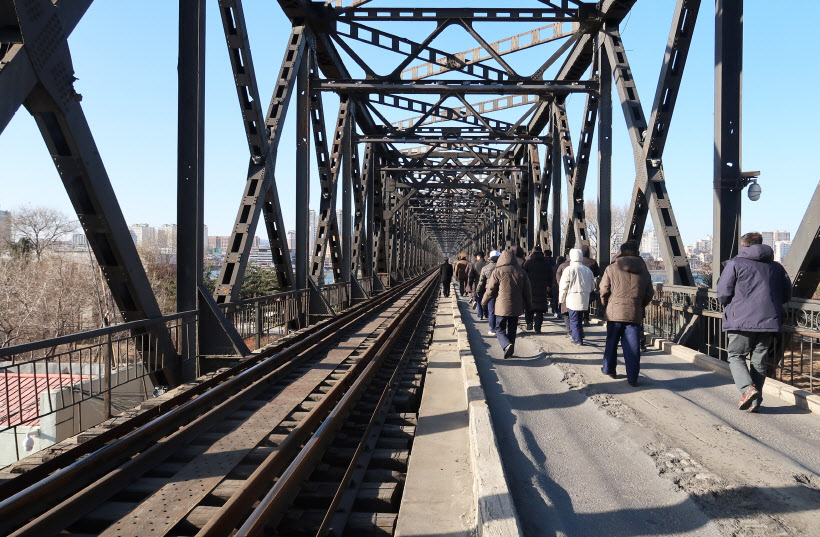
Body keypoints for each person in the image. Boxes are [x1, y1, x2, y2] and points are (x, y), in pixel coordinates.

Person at [717, 232, 792, 412]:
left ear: (744, 246)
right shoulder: (777, 267)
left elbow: (723, 294)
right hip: (768, 320)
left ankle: (747, 389)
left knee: (735, 356)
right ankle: (755, 402)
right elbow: (786, 294)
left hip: (741, 319)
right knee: (758, 360)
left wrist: (733, 306)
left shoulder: (735, 263)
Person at [600, 241, 654, 387]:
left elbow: (604, 289)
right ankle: (633, 377)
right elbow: (650, 293)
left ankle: (609, 369)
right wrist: (639, 305)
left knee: (611, 342)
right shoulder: (644, 271)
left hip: (615, 312)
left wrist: (606, 304)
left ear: (621, 252)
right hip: (634, 313)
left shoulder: (611, 268)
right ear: (637, 252)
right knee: (633, 346)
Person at [482, 248, 532, 358]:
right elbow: (527, 291)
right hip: (516, 306)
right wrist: (529, 305)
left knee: (499, 328)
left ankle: (506, 345)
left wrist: (484, 301)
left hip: (501, 306)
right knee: (512, 329)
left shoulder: (497, 271)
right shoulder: (521, 272)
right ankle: (510, 350)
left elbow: (490, 289)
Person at [559, 248, 594, 345]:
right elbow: (592, 285)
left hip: (572, 298)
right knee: (579, 318)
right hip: (584, 298)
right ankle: (579, 334)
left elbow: (563, 286)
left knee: (573, 319)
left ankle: (577, 339)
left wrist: (561, 299)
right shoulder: (588, 270)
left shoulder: (568, 270)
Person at [523, 246, 553, 333]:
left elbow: (524, 275)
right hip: (542, 288)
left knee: (529, 307)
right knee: (540, 310)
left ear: (532, 252)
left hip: (530, 288)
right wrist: (549, 285)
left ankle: (529, 323)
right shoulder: (547, 263)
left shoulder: (528, 263)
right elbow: (551, 276)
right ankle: (538, 328)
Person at [477, 250, 500, 335]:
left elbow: (481, 282)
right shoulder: (501, 267)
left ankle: (493, 329)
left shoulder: (485, 268)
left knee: (491, 310)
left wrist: (478, 291)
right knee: (500, 310)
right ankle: (500, 328)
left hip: (490, 291)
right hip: (501, 291)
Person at [470, 252, 488, 319]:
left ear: (479, 257)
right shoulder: (487, 264)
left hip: (478, 285)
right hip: (487, 286)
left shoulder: (475, 265)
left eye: (476, 257)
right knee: (486, 300)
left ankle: (480, 315)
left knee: (479, 300)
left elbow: (471, 276)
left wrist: (470, 285)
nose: (476, 258)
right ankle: (486, 313)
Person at [552, 255, 565, 319]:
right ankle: (560, 311)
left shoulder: (553, 267)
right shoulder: (564, 267)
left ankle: (555, 311)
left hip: (554, 285)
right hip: (562, 285)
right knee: (561, 299)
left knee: (554, 299)